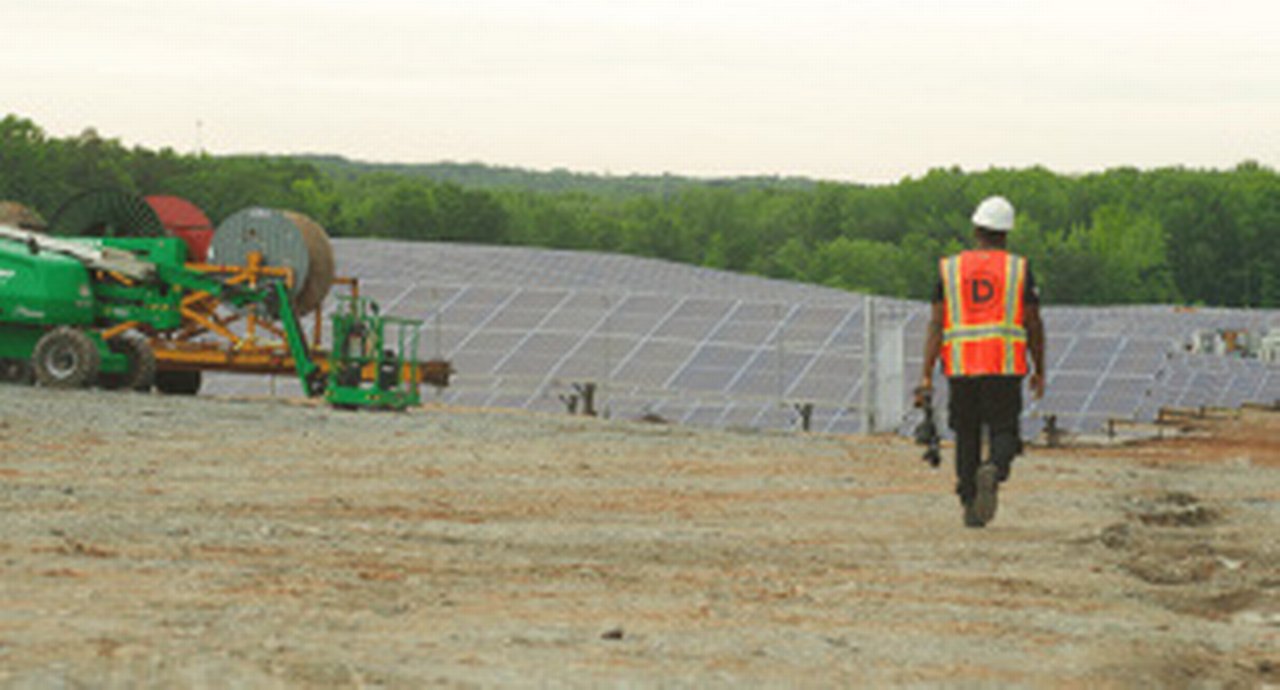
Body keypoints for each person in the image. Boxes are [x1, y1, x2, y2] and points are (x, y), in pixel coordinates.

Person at [918, 196, 1046, 528]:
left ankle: (969, 503)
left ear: (976, 230)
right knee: (1004, 430)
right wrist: (1039, 369)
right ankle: (995, 468)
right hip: (1003, 365)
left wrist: (926, 374)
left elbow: (936, 323)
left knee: (966, 434)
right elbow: (1033, 323)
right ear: (1006, 234)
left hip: (961, 366)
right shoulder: (1018, 269)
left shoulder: (951, 269)